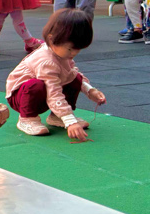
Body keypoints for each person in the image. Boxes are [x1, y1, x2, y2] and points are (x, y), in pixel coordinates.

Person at [6, 9, 106, 139]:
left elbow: (72, 74)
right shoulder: (46, 61)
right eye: (70, 49)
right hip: (21, 96)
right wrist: (69, 121)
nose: (74, 54)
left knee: (75, 78)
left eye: (78, 49)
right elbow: (53, 91)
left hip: (45, 92)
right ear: (52, 39)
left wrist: (90, 90)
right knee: (36, 85)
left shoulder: (62, 53)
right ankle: (27, 118)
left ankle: (56, 117)